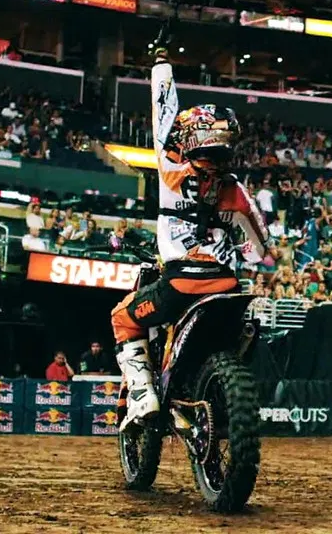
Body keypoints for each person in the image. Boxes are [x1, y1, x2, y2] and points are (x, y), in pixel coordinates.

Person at [110, 35, 271, 429]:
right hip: (229, 287)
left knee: (122, 317)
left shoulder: (171, 172)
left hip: (182, 282)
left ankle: (144, 396)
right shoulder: (235, 190)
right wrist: (244, 251)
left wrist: (161, 62)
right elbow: (262, 249)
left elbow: (164, 108)